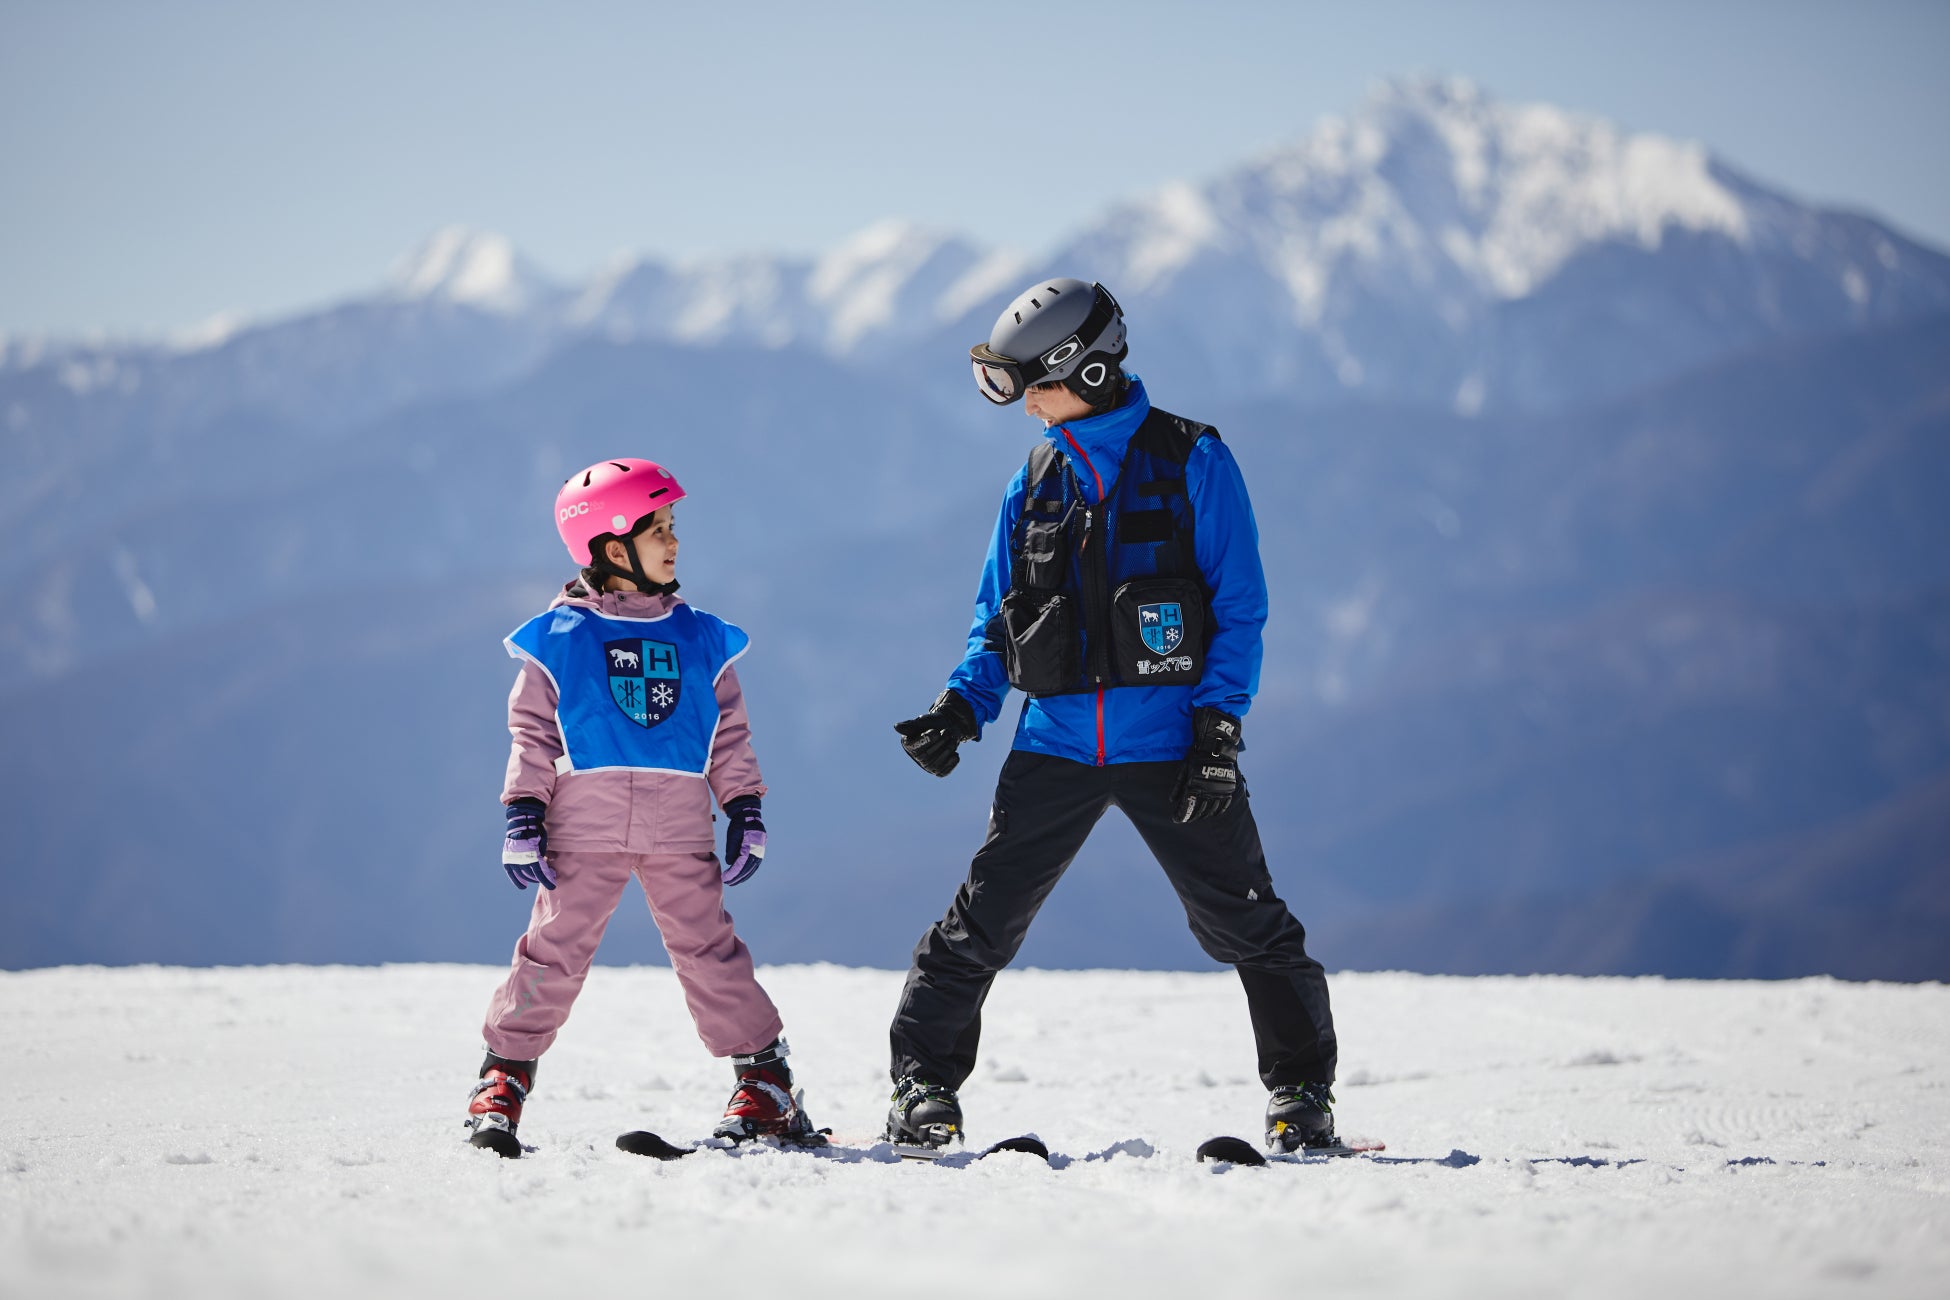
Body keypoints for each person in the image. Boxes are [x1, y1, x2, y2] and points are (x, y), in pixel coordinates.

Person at [885, 279, 1341, 1154]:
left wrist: (1217, 731)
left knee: (1250, 924)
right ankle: (921, 1089)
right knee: (979, 923)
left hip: (1173, 747)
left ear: (1080, 367)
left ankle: (1301, 1096)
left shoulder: (1193, 460)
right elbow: (999, 621)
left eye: (1031, 385)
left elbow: (1239, 607)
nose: (1024, 408)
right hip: (1054, 744)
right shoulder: (1034, 480)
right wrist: (960, 710)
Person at [464, 458, 818, 1158]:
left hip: (681, 827)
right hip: (582, 829)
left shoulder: (700, 638)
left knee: (709, 951)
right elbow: (533, 733)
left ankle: (766, 1082)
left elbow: (728, 735)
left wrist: (743, 805)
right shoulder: (559, 638)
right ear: (610, 545)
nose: (675, 542)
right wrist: (523, 813)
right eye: (659, 529)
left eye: (674, 527)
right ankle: (503, 1078)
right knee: (551, 954)